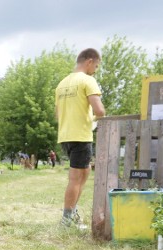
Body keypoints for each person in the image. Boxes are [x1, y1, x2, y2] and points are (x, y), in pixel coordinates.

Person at [55, 48, 106, 227]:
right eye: (96, 66)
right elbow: (99, 110)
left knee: (84, 173)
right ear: (89, 61)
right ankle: (67, 219)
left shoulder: (62, 84)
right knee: (76, 178)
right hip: (81, 135)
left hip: (65, 135)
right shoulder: (88, 80)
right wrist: (94, 119)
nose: (96, 70)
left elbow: (57, 115)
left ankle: (72, 212)